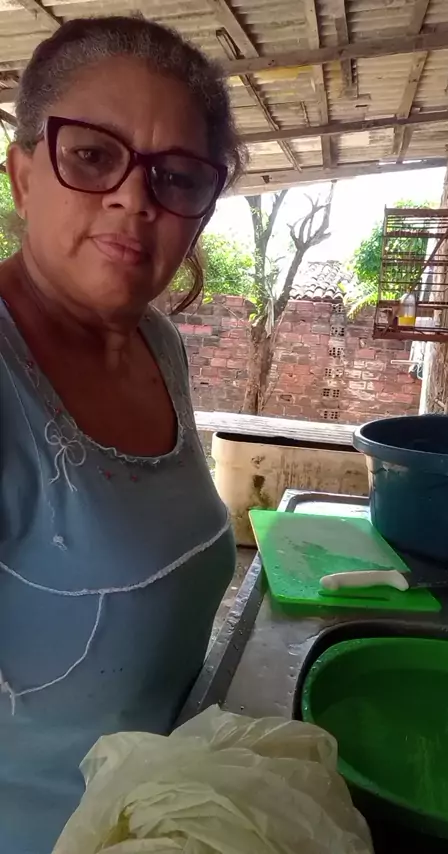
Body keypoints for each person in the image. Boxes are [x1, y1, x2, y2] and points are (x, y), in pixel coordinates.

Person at [0, 16, 244, 854]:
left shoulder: (157, 344)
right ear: (23, 174)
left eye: (176, 177)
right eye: (92, 155)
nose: (135, 198)